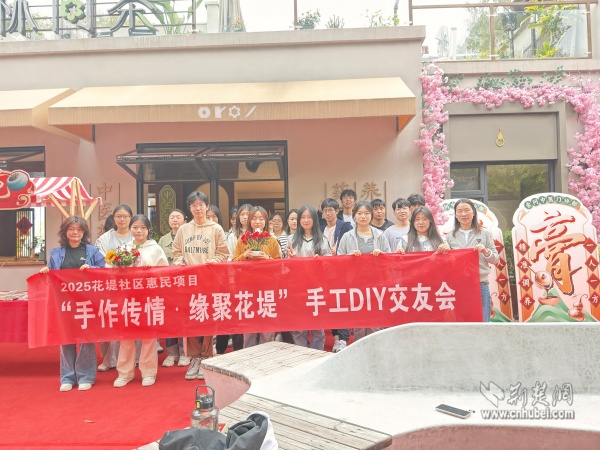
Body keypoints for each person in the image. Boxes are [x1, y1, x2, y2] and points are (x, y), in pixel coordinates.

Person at [40, 216, 106, 392]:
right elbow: (52, 275)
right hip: (65, 303)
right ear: (65, 232)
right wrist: (46, 271)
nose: (75, 232)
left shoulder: (92, 251)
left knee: (86, 338)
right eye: (71, 229)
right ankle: (67, 377)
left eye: (79, 229)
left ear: (84, 232)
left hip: (87, 301)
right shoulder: (56, 253)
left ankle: (86, 376)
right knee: (66, 338)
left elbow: (105, 270)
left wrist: (93, 269)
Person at [172, 192, 229, 380]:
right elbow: (176, 252)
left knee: (207, 321)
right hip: (189, 284)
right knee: (191, 322)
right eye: (194, 205)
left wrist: (213, 262)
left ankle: (206, 358)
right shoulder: (183, 229)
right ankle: (194, 358)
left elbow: (223, 253)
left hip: (209, 282)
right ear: (190, 208)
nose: (197, 208)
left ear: (207, 206)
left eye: (201, 205)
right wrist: (180, 261)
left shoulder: (216, 229)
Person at [114, 215, 168, 388]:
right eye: (135, 227)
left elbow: (165, 272)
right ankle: (125, 373)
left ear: (148, 229)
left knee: (148, 336)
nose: (139, 231)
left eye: (143, 227)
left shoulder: (155, 248)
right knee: (126, 336)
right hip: (128, 297)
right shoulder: (124, 248)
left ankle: (148, 372)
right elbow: (115, 273)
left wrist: (150, 270)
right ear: (130, 229)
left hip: (148, 297)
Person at [337, 200, 391, 342]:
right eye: (359, 213)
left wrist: (382, 255)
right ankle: (359, 349)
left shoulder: (380, 235)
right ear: (354, 215)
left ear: (371, 215)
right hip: (356, 285)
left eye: (366, 213)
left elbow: (390, 258)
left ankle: (376, 350)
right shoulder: (347, 236)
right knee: (359, 322)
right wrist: (349, 257)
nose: (363, 216)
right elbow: (338, 260)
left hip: (376, 284)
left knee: (375, 322)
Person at [233, 206, 281, 348]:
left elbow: (279, 263)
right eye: (254, 218)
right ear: (249, 221)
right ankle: (249, 354)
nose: (257, 222)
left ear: (266, 221)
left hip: (267, 287)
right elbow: (233, 262)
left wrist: (268, 258)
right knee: (249, 326)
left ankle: (266, 353)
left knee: (266, 325)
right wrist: (244, 256)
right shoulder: (242, 240)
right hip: (247, 287)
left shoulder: (271, 240)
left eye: (261, 218)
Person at [444, 199, 499, 322]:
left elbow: (496, 259)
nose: (463, 214)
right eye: (460, 211)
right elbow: (446, 263)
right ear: (455, 215)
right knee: (462, 322)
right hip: (458, 286)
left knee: (482, 322)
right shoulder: (450, 237)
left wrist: (485, 251)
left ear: (473, 212)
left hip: (480, 284)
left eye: (467, 210)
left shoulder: (485, 234)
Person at [95, 204, 134, 372]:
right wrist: (116, 268)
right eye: (119, 216)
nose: (122, 219)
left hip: (133, 285)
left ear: (130, 218)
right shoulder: (105, 238)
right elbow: (100, 259)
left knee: (132, 319)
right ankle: (110, 359)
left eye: (125, 216)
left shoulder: (136, 234)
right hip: (111, 284)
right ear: (114, 218)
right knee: (113, 320)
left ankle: (134, 358)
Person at [287, 205, 331, 350]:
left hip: (317, 287)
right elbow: (283, 266)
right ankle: (302, 354)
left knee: (318, 326)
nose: (306, 220)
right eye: (303, 217)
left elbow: (330, 264)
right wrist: (290, 259)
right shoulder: (291, 239)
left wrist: (321, 261)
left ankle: (317, 355)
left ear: (315, 220)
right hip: (297, 288)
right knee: (299, 326)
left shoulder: (322, 239)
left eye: (309, 217)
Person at [320, 198, 353, 352]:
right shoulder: (320, 229)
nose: (328, 213)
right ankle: (336, 337)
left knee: (342, 304)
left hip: (341, 272)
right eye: (325, 210)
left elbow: (349, 245)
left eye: (331, 210)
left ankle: (343, 338)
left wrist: (338, 250)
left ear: (337, 211)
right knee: (331, 305)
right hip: (325, 273)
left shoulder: (345, 227)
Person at [158, 209, 189, 367]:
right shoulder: (163, 240)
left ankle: (184, 352)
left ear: (185, 220)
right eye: (172, 217)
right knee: (170, 318)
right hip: (168, 285)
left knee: (183, 318)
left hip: (185, 283)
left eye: (178, 217)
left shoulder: (189, 237)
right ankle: (171, 353)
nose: (175, 220)